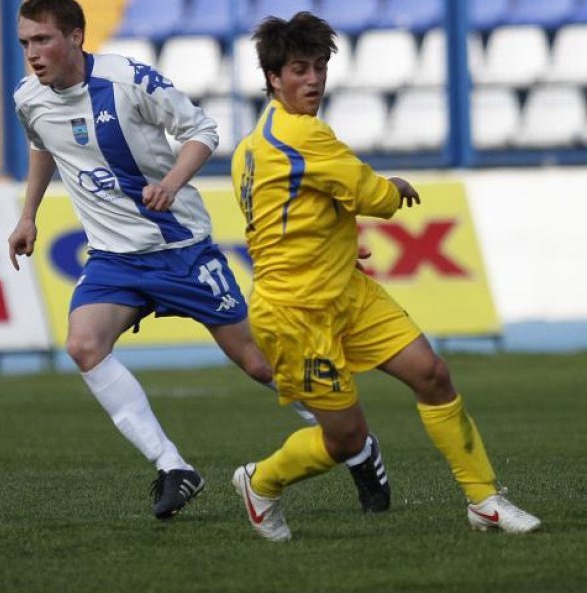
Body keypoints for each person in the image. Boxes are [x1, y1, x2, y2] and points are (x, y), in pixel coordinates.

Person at [8, 0, 390, 520]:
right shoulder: (29, 98)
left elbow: (202, 131)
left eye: (43, 40)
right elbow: (43, 146)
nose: (33, 54)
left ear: (76, 36)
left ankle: (355, 446)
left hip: (179, 248)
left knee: (258, 363)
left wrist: (170, 183)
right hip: (113, 258)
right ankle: (173, 468)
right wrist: (28, 215)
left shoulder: (127, 81)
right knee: (83, 345)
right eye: (25, 43)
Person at [229, 11, 541, 541]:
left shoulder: (252, 147)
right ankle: (261, 483)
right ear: (273, 79)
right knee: (345, 439)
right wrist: (394, 187)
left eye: (320, 67)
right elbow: (375, 196)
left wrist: (333, 246)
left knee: (433, 375)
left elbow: (280, 218)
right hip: (296, 314)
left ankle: (484, 500)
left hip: (345, 292)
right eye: (299, 69)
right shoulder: (303, 136)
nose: (312, 80)